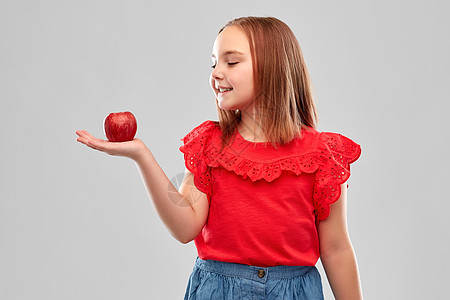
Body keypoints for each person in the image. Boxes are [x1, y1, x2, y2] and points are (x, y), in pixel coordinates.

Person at [76, 16, 363, 300]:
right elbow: (185, 226)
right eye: (214, 63)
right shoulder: (209, 145)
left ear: (272, 68)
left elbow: (336, 248)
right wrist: (142, 156)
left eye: (231, 62)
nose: (215, 73)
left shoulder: (322, 154)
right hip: (217, 291)